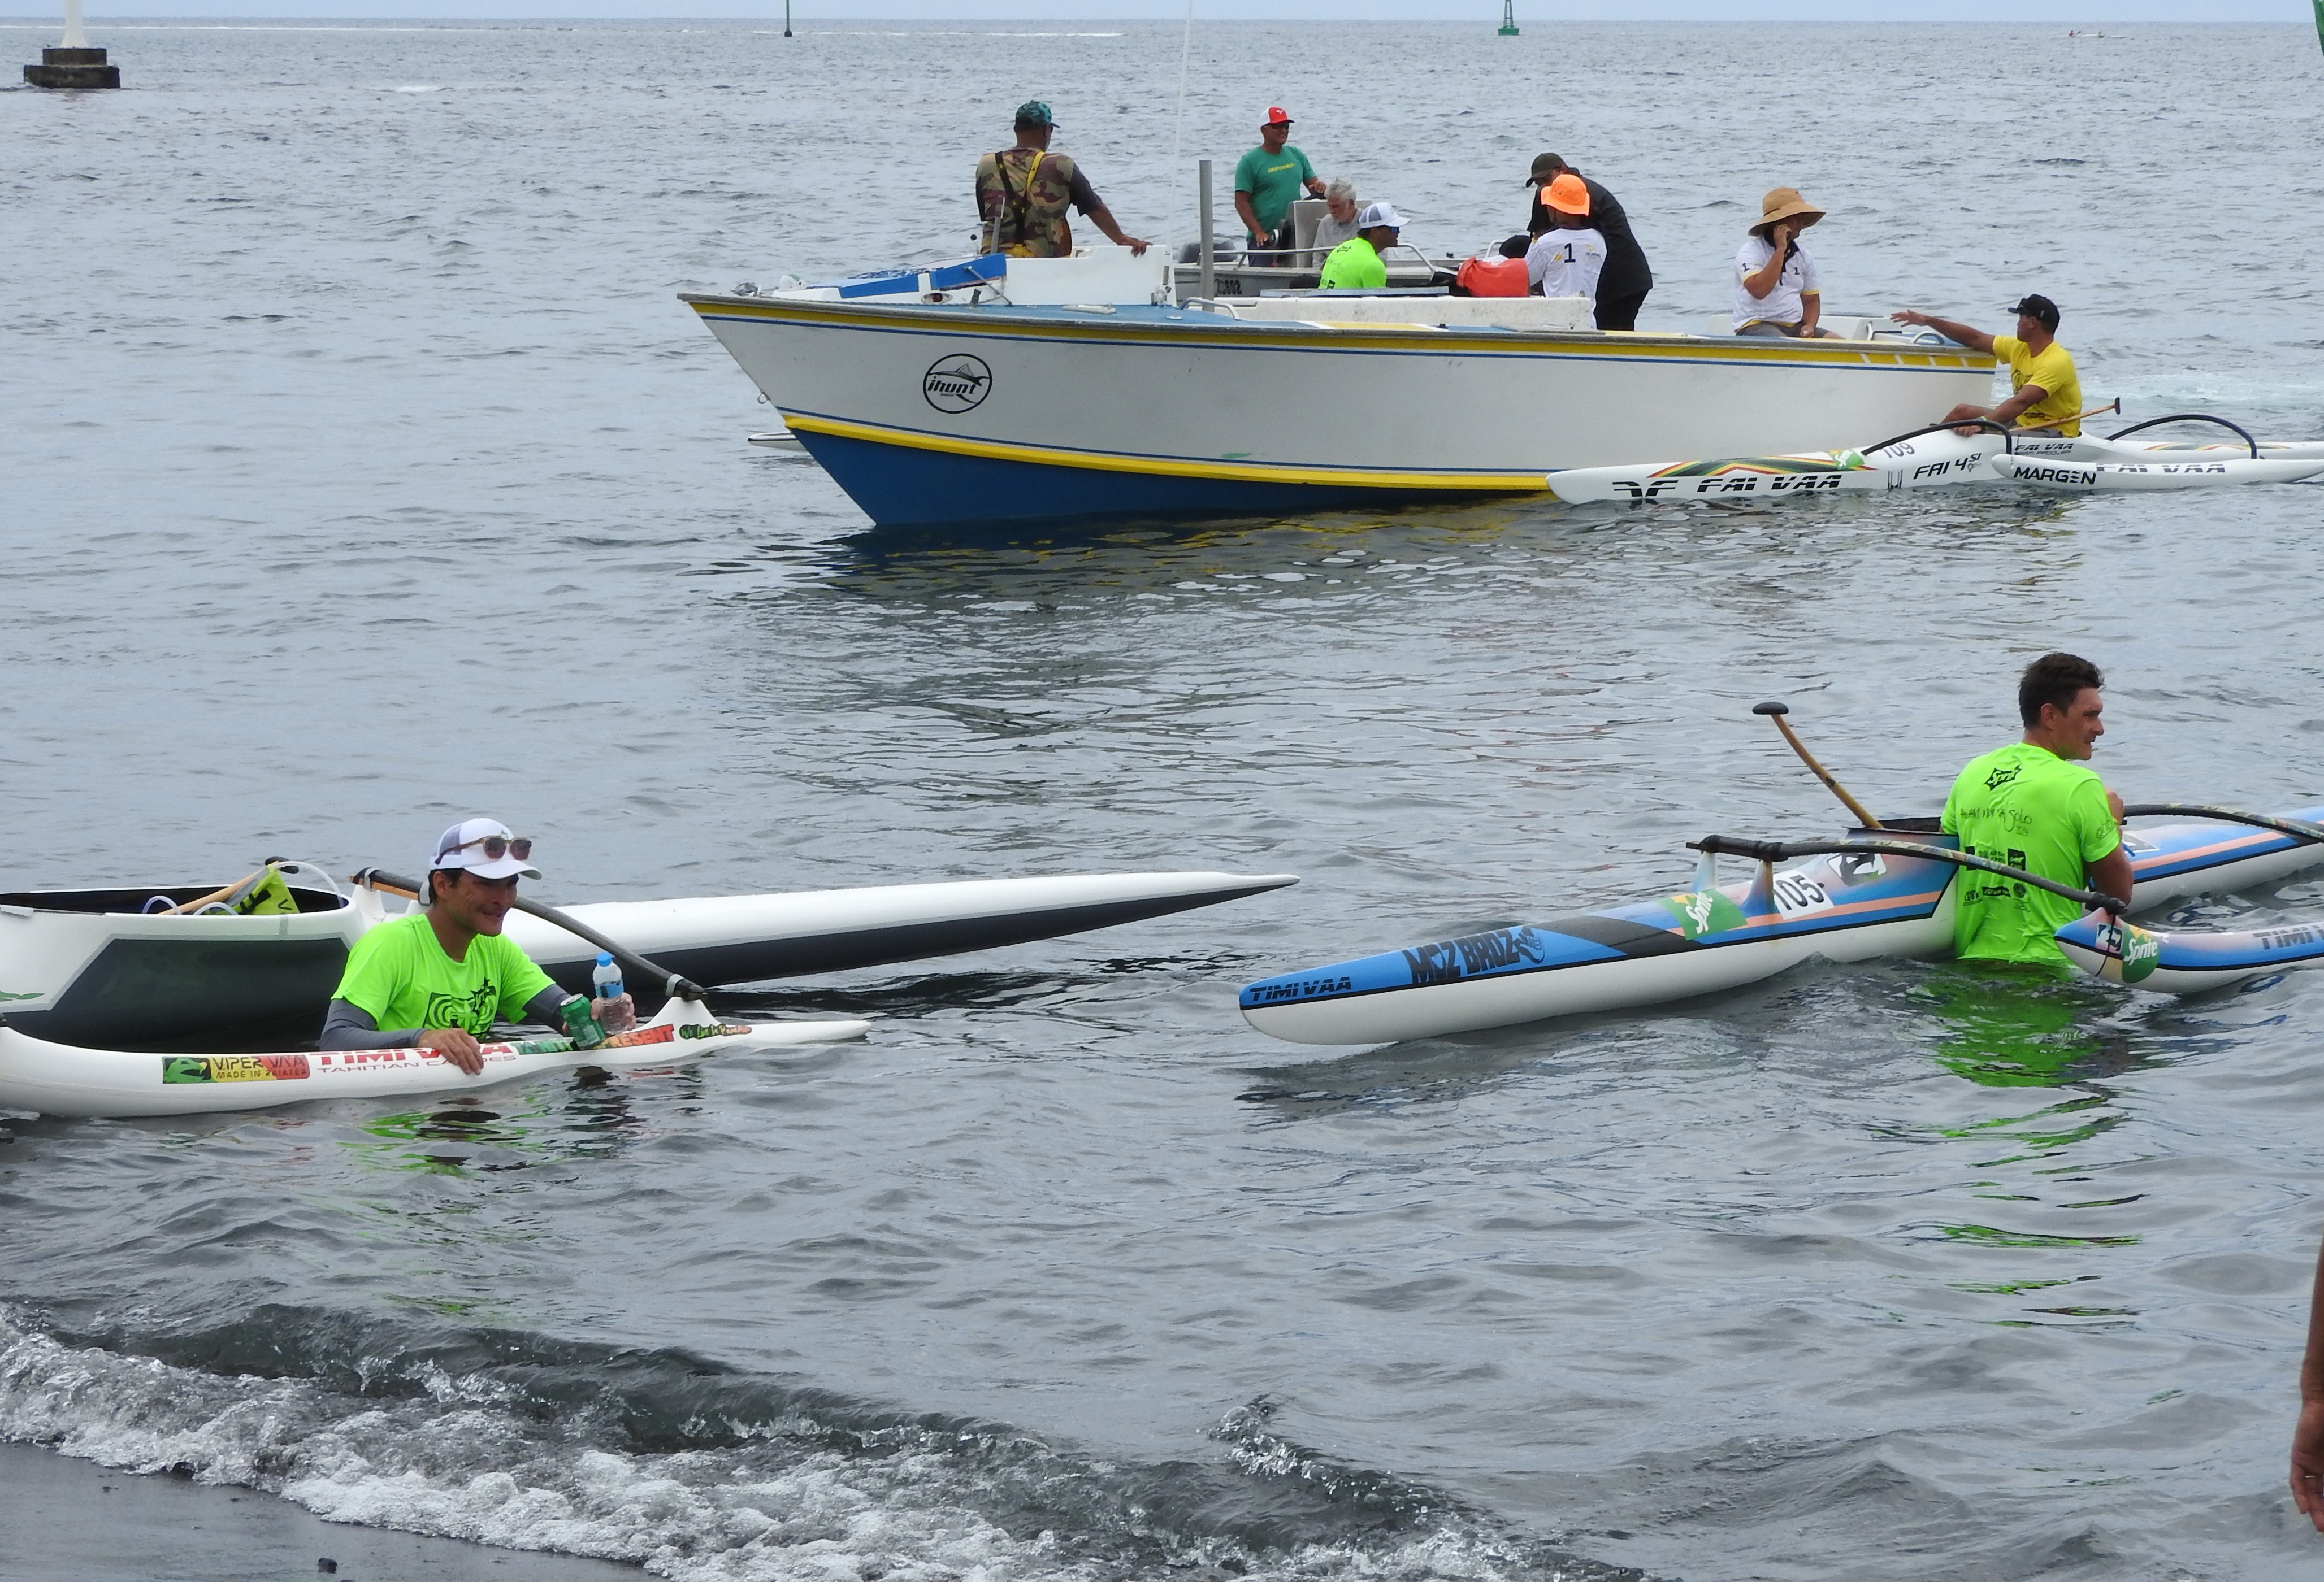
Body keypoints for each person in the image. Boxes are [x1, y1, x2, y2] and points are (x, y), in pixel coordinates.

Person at [320, 819, 636, 1075]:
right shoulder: (389, 944)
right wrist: (421, 1038)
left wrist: (594, 1017)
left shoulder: (498, 951)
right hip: (391, 1125)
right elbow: (335, 1040)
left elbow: (562, 1012)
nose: (502, 899)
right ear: (443, 885)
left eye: (510, 884)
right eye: (486, 885)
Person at [1939, 654, 2134, 968]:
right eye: (2090, 715)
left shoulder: (1972, 773)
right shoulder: (2080, 785)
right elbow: (2119, 895)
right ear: (2050, 715)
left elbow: (1946, 860)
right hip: (2051, 970)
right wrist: (2110, 821)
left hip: (1972, 966)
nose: (2100, 729)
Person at [973, 101, 1148, 259]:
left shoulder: (987, 164)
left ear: (1016, 130)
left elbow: (989, 214)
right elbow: (1093, 206)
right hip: (1041, 262)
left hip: (993, 262)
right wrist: (1121, 239)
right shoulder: (1060, 164)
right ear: (1046, 130)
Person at [1890, 294, 2084, 437]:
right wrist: (1928, 321)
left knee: (1985, 435)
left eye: (2020, 318)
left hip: (2054, 431)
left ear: (2032, 322)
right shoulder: (2018, 348)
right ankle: (1925, 446)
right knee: (1962, 412)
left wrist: (1982, 424)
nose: (2018, 324)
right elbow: (1975, 339)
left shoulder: (2057, 361)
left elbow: (2021, 402)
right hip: (2022, 423)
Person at [1521, 154, 1653, 331]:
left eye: (1547, 179)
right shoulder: (1573, 191)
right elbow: (1543, 238)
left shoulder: (1575, 195)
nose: (1545, 187)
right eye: (1540, 184)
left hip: (1622, 279)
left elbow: (1542, 238)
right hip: (1628, 275)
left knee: (1610, 337)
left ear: (1563, 171)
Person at [1732, 186, 1834, 338]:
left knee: (1835, 340)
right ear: (1778, 223)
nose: (1801, 224)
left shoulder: (1804, 256)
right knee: (1785, 344)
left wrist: (1810, 326)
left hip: (1793, 326)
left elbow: (1811, 301)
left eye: (1803, 219)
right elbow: (1759, 291)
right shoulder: (1750, 252)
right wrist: (1780, 250)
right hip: (1755, 325)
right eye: (1796, 219)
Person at [1234, 106, 1325, 259]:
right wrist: (1258, 232)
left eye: (1286, 126)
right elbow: (1241, 203)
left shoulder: (1296, 155)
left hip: (1293, 237)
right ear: (1264, 130)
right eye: (1277, 126)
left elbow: (1315, 189)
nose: (1283, 131)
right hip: (1264, 241)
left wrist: (1320, 188)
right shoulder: (1249, 162)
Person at [1523, 174, 1605, 304]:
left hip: (1555, 319)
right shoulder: (1598, 240)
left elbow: (1526, 279)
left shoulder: (1545, 243)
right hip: (1587, 319)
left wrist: (1535, 240)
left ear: (1558, 209)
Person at [1317, 203, 1402, 290]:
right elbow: (1376, 303)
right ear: (1376, 232)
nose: (1398, 232)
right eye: (1394, 229)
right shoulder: (1373, 265)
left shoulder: (1341, 248)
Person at [1310, 179, 1362, 259]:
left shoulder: (1367, 223)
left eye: (1336, 207)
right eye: (1329, 206)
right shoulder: (1325, 223)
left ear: (1351, 204)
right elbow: (1317, 257)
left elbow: (1380, 258)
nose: (1332, 211)